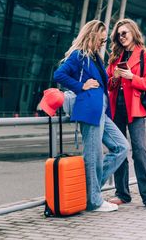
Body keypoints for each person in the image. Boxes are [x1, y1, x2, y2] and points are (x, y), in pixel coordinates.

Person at [53, 20, 129, 212]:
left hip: (101, 111)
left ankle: (89, 189)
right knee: (93, 155)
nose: (102, 44)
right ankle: (93, 200)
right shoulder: (79, 55)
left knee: (121, 146)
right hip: (89, 110)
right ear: (92, 35)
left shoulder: (96, 57)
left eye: (104, 41)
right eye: (101, 40)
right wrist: (81, 86)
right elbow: (59, 75)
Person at [107, 18, 146, 211]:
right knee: (120, 150)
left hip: (136, 110)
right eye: (118, 34)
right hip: (117, 109)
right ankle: (122, 193)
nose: (121, 37)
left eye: (124, 33)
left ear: (133, 32)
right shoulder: (115, 56)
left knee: (139, 151)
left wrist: (132, 77)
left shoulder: (145, 54)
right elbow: (110, 86)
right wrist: (114, 78)